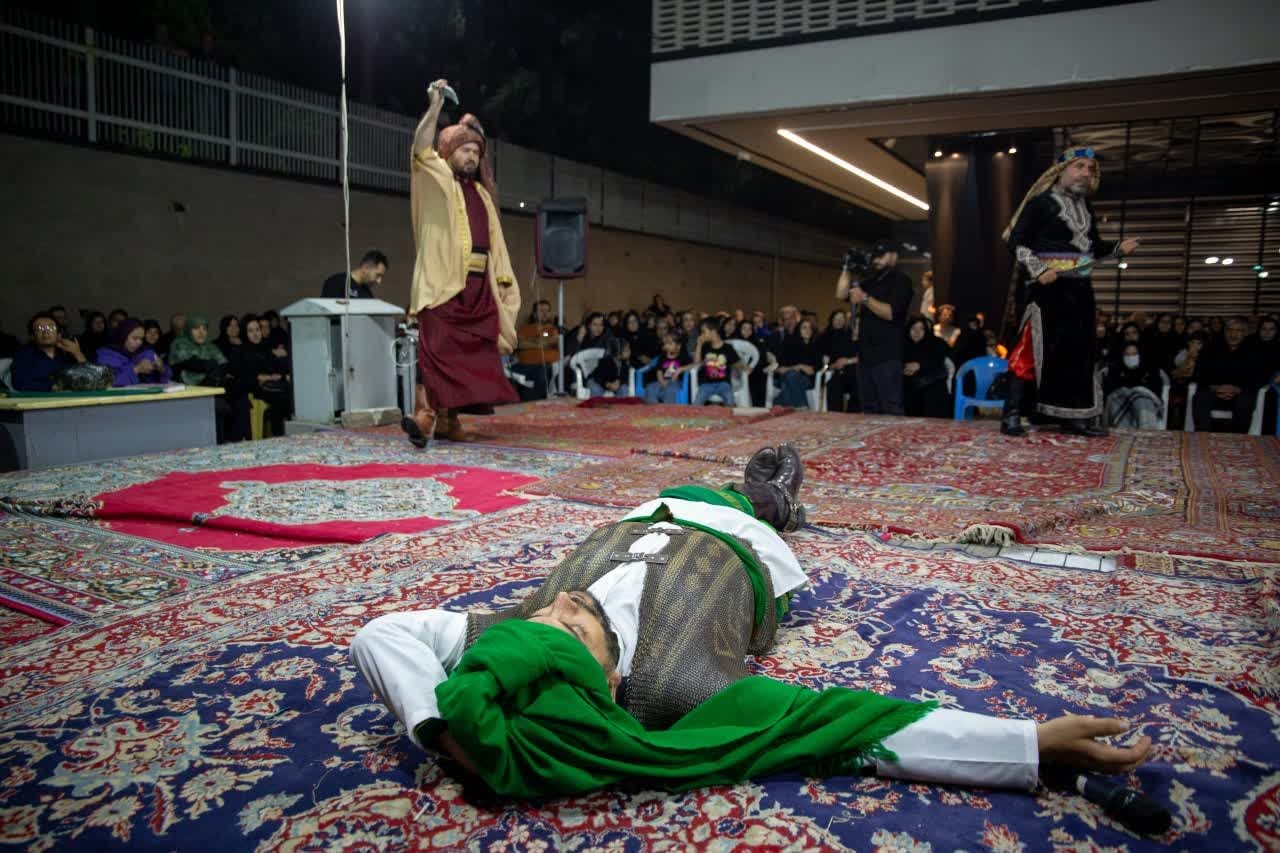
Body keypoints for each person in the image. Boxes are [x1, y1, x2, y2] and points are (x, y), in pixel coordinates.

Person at [350, 446, 1151, 802]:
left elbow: (379, 633)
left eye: (551, 611)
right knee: (765, 494)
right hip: (746, 543)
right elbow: (846, 722)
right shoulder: (680, 685)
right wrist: (1027, 744)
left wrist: (442, 733)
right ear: (609, 683)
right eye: (574, 629)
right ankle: (780, 494)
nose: (561, 604)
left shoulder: (504, 638)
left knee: (710, 480)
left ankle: (758, 480)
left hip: (648, 509)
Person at [401, 79, 521, 449]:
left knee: (471, 357)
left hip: (478, 288)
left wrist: (502, 280)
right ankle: (425, 416)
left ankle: (449, 421)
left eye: (475, 152)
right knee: (437, 352)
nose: (470, 157)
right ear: (449, 151)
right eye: (464, 150)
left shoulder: (481, 193)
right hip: (443, 285)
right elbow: (420, 147)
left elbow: (496, 243)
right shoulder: (434, 177)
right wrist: (435, 106)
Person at [1002, 148, 1141, 437]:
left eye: (1090, 169)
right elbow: (1016, 241)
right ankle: (1012, 414)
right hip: (1047, 290)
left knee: (1078, 353)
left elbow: (1093, 248)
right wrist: (1039, 269)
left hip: (1080, 290)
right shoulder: (1041, 203)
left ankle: (1072, 417)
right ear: (1060, 170)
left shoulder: (1086, 207)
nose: (1085, 174)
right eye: (1079, 167)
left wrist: (1118, 248)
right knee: (1031, 349)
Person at [836, 240, 913, 415]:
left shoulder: (902, 281)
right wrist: (846, 268)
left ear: (894, 256)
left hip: (887, 356)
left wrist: (864, 299)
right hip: (865, 355)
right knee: (868, 409)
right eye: (875, 257)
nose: (876, 260)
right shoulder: (870, 281)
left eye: (881, 256)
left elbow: (891, 313)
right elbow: (840, 294)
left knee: (891, 408)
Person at [1191, 317, 1257, 433]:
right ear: (1225, 332)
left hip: (1239, 393)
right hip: (1213, 391)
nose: (1233, 334)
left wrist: (1237, 389)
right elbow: (1199, 373)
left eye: (1238, 331)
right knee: (1200, 398)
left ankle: (1238, 439)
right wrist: (1216, 388)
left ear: (1245, 333)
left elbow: (1256, 378)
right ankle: (1202, 436)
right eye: (1230, 330)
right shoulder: (1211, 348)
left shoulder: (1253, 351)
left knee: (1245, 402)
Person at [231, 315, 292, 435]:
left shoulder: (265, 348)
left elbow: (278, 368)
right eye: (250, 331)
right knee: (280, 398)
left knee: (290, 394)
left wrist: (281, 376)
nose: (255, 334)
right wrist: (268, 377)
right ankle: (278, 435)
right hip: (253, 388)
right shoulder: (240, 351)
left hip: (272, 385)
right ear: (244, 333)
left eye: (257, 329)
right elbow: (244, 374)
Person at [11, 312, 86, 391]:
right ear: (32, 336)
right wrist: (54, 387)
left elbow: (90, 379)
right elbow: (19, 383)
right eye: (39, 329)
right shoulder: (23, 356)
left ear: (58, 335)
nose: (45, 332)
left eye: (51, 327)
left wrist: (78, 354)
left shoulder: (68, 354)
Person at [1104, 343, 1164, 429]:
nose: (1131, 357)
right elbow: (1110, 390)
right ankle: (1122, 431)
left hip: (1144, 398)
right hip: (1121, 399)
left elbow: (1155, 390)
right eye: (1127, 354)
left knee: (1141, 400)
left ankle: (1146, 429)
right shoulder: (1114, 369)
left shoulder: (1151, 370)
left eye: (1134, 354)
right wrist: (1129, 392)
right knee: (1116, 402)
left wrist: (1137, 391)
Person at [95, 319, 171, 387]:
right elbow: (106, 380)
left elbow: (166, 375)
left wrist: (162, 369)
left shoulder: (144, 352)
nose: (139, 342)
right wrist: (136, 369)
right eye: (135, 338)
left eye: (141, 339)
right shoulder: (106, 354)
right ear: (123, 336)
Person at [902, 316, 952, 418]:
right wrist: (903, 368)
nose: (917, 332)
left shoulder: (936, 343)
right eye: (914, 328)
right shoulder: (903, 344)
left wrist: (920, 365)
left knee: (932, 389)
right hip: (908, 385)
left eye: (921, 328)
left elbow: (938, 363)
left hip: (930, 383)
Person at [770, 306, 817, 408]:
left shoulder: (816, 345)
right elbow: (781, 367)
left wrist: (794, 368)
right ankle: (801, 407)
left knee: (789, 379)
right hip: (787, 377)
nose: (807, 330)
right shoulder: (790, 345)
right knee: (789, 377)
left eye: (809, 328)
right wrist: (799, 367)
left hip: (807, 379)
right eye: (804, 328)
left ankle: (780, 402)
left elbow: (813, 370)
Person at [512, 299, 559, 400]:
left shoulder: (553, 329)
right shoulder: (525, 329)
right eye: (541, 311)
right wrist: (541, 343)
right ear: (534, 314)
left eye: (547, 311)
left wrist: (531, 342)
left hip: (544, 365)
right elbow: (520, 344)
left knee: (541, 376)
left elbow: (554, 341)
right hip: (523, 365)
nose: (545, 313)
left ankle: (536, 402)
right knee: (508, 374)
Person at [692, 318, 740, 406]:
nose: (702, 335)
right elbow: (696, 363)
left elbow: (737, 362)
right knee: (697, 402)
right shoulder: (705, 346)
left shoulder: (728, 348)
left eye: (703, 332)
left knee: (729, 399)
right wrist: (699, 344)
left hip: (723, 383)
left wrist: (745, 367)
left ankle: (729, 414)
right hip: (706, 384)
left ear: (713, 332)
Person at [818, 310, 858, 413]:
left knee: (856, 377)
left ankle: (852, 412)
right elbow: (823, 362)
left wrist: (847, 361)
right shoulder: (824, 337)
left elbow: (857, 356)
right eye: (836, 319)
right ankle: (836, 414)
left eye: (842, 319)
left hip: (851, 368)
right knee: (834, 383)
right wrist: (832, 366)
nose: (839, 321)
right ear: (831, 320)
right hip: (832, 370)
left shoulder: (849, 335)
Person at [644, 334, 692, 404]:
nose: (667, 346)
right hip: (663, 381)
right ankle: (654, 406)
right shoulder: (662, 356)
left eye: (670, 344)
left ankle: (668, 408)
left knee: (671, 390)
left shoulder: (683, 356)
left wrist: (681, 369)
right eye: (666, 344)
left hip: (676, 382)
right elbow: (659, 371)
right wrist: (662, 381)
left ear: (678, 346)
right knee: (650, 387)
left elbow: (693, 365)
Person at [322, 250, 388, 299]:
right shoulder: (336, 282)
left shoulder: (367, 294)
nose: (379, 281)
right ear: (366, 267)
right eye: (378, 275)